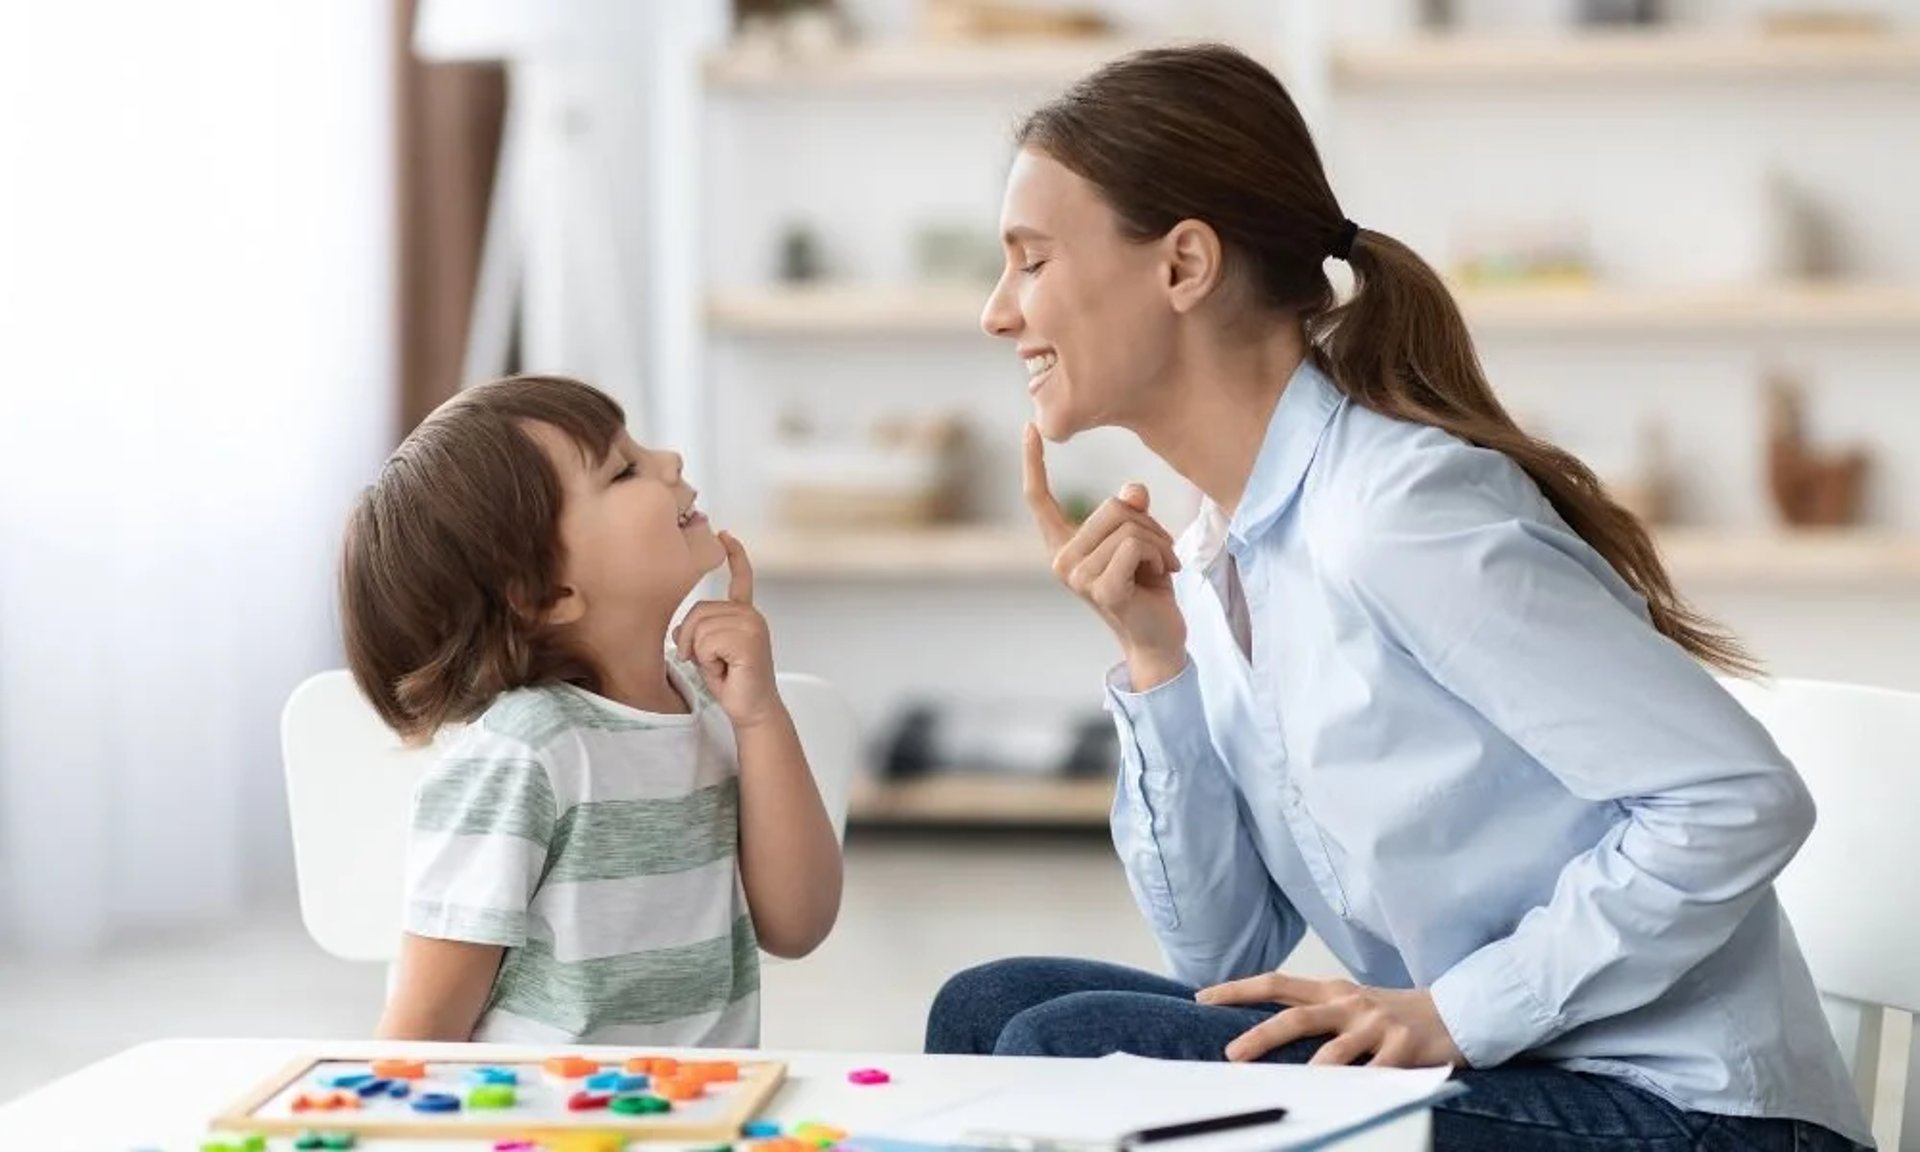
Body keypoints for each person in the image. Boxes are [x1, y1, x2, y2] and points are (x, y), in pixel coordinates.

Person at [925, 44, 1871, 1152]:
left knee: (1065, 1055)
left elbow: (1738, 799)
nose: (997, 312)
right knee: (989, 1010)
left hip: (1688, 1113)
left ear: (1183, 265)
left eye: (1031, 260)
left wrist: (1452, 1015)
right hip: (1521, 1081)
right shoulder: (1221, 549)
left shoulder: (1400, 512)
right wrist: (1156, 663)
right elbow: (1220, 958)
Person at [340, 374, 842, 1044]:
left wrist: (758, 717)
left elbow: (798, 924)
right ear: (548, 593)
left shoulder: (710, 708)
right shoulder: (525, 754)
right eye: (624, 469)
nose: (670, 462)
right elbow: (423, 1028)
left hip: (707, 1116)